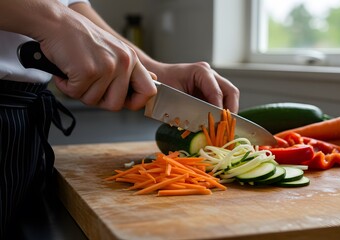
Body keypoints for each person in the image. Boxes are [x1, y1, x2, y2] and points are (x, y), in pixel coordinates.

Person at [0, 0, 240, 238]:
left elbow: (68, 3)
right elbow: (60, 15)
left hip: (25, 118)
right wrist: (55, 20)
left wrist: (149, 69)